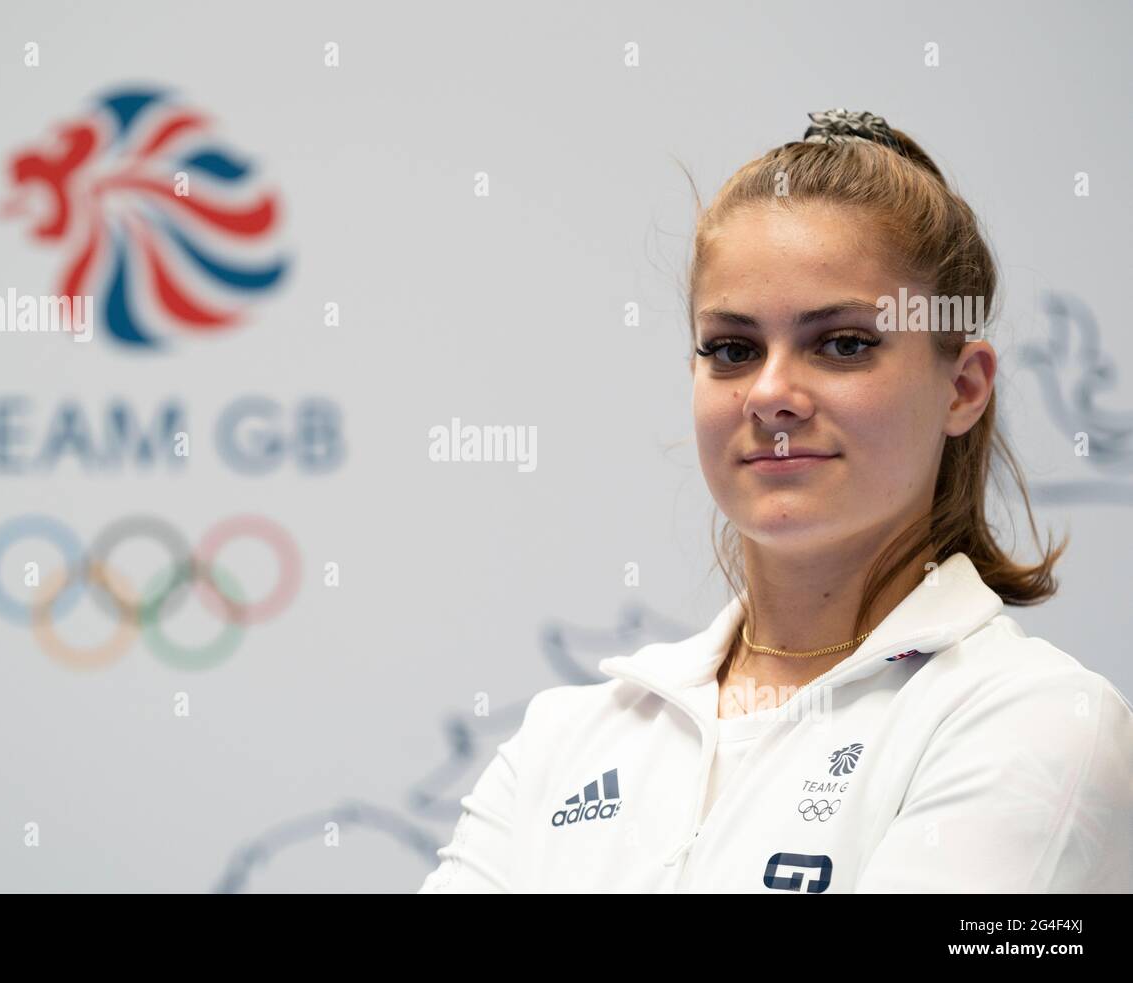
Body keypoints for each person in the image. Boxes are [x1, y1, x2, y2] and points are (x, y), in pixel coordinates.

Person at [417, 108, 1133, 894]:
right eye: (732, 349)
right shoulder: (564, 739)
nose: (770, 394)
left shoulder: (1039, 719)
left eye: (844, 344)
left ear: (962, 388)